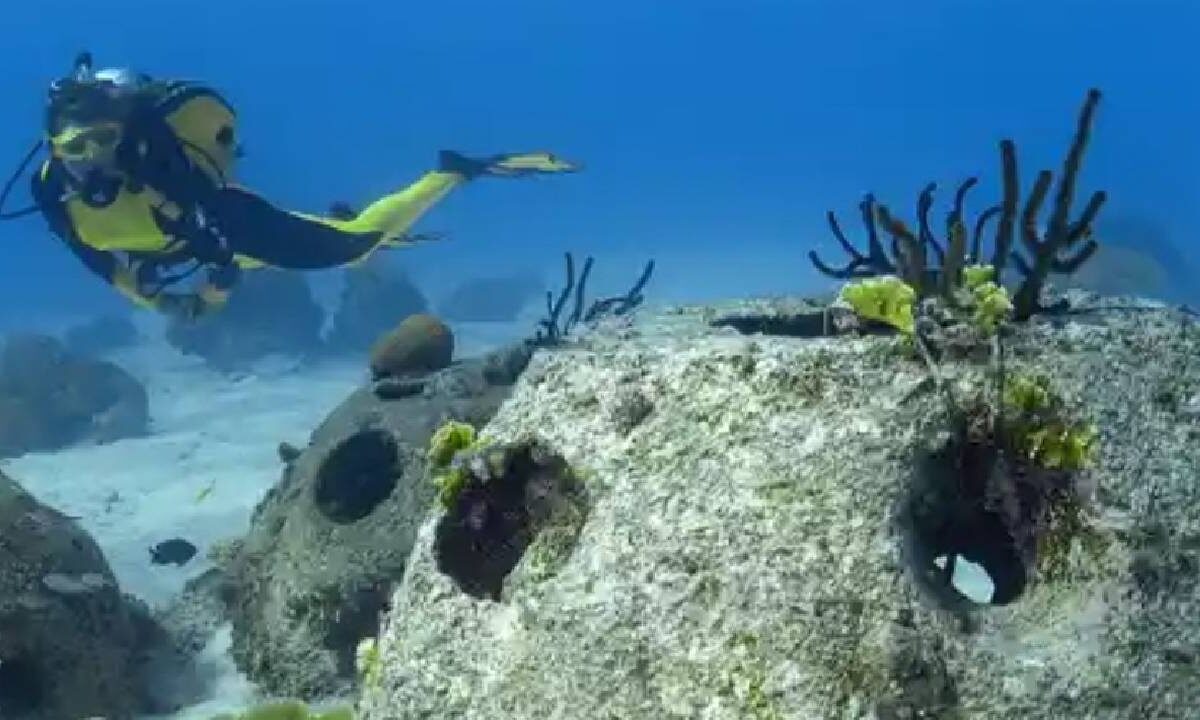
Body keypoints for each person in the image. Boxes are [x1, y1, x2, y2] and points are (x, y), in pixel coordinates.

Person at [9, 52, 577, 320]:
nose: (92, 159)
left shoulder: (162, 166)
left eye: (103, 140)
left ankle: (455, 170)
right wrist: (160, 301)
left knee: (355, 246)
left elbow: (223, 257)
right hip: (172, 252)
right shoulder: (50, 191)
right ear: (53, 148)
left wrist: (208, 298)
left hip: (225, 231)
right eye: (74, 148)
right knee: (326, 245)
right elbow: (98, 263)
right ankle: (344, 221)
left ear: (126, 137)